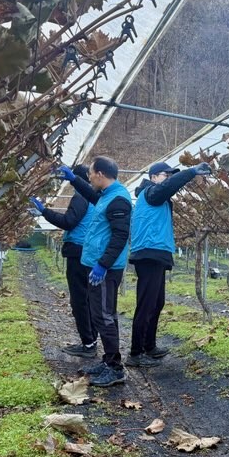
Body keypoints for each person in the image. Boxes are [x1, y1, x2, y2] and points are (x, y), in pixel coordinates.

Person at [125, 161, 211, 367]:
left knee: (156, 302)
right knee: (146, 304)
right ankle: (135, 353)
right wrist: (191, 172)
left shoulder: (157, 199)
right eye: (166, 175)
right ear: (153, 177)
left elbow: (167, 189)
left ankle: (149, 346)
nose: (169, 179)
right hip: (149, 253)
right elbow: (167, 187)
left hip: (156, 253)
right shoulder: (150, 193)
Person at [57, 157, 131, 387]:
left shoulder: (118, 199)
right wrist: (74, 180)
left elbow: (120, 237)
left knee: (105, 316)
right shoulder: (108, 195)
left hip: (106, 269)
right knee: (101, 314)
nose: (89, 178)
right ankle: (108, 360)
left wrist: (103, 265)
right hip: (98, 265)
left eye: (89, 174)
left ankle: (116, 368)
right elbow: (91, 195)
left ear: (99, 174)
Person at [29, 165, 97, 358]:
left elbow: (69, 221)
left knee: (80, 299)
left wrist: (44, 211)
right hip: (90, 251)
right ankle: (91, 339)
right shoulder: (94, 196)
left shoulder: (81, 197)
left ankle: (88, 343)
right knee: (90, 298)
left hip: (78, 251)